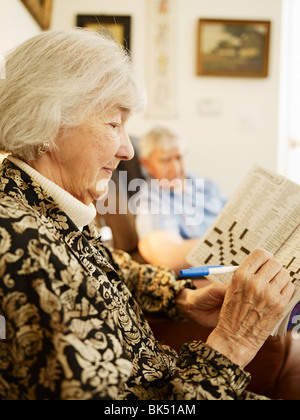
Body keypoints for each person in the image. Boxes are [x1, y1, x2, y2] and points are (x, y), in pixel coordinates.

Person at [0, 29, 294, 400]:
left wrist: (179, 297)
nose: (127, 150)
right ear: (48, 122)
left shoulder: (50, 207)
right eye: (113, 124)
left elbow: (103, 268)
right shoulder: (19, 236)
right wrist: (234, 341)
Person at [136, 126, 226, 273]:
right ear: (146, 164)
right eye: (165, 160)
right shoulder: (151, 200)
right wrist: (227, 243)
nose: (176, 168)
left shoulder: (206, 184)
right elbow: (167, 256)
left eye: (179, 157)